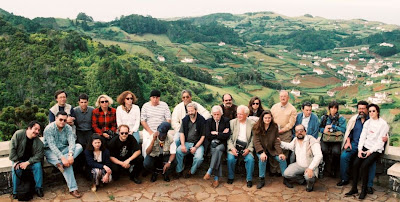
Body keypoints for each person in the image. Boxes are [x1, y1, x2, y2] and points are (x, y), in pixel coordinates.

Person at [345, 104, 389, 200]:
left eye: (373, 111)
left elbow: (380, 141)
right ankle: (354, 188)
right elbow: (362, 137)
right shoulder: (367, 123)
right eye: (370, 111)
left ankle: (364, 190)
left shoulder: (383, 124)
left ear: (377, 111)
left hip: (376, 149)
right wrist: (360, 150)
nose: (371, 113)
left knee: (364, 166)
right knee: (356, 164)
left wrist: (370, 151)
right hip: (365, 147)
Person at [337, 101, 380, 194]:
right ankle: (345, 179)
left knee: (372, 163)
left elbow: (380, 132)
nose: (361, 111)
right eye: (359, 109)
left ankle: (369, 186)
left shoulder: (372, 120)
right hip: (354, 144)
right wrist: (348, 142)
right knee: (344, 157)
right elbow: (349, 133)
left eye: (363, 109)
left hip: (367, 146)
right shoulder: (354, 120)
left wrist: (384, 138)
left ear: (367, 109)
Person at [44, 111, 83, 198]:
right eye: (60, 119)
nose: (62, 122)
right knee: (67, 165)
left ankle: (61, 164)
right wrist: (62, 158)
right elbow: (52, 146)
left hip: (64, 149)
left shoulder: (68, 128)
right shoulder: (49, 129)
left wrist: (70, 155)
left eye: (64, 120)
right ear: (56, 119)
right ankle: (73, 188)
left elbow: (72, 142)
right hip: (51, 151)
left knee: (79, 146)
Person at [280, 124, 323, 192]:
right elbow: (290, 146)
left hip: (310, 166)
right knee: (286, 173)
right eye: (297, 131)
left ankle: (310, 185)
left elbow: (319, 155)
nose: (299, 132)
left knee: (308, 176)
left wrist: (310, 168)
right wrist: (279, 142)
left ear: (305, 131)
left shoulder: (311, 140)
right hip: (299, 165)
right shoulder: (295, 139)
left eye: (301, 130)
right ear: (295, 133)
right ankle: (301, 179)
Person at [253, 110, 287, 189]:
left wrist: (280, 153)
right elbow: (256, 141)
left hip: (272, 149)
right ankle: (261, 179)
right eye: (265, 118)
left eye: (269, 118)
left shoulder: (274, 126)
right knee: (262, 159)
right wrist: (261, 152)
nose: (267, 119)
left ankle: (286, 178)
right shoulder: (256, 127)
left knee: (282, 159)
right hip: (261, 150)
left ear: (271, 118)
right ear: (262, 118)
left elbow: (276, 141)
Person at [10, 121, 44, 198]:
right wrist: (15, 161)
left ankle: (38, 188)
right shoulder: (19, 134)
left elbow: (39, 155)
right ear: (29, 128)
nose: (37, 132)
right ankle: (15, 191)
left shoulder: (38, 142)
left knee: (38, 166)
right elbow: (12, 148)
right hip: (18, 159)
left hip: (30, 161)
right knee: (16, 169)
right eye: (35, 129)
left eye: (38, 130)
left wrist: (28, 162)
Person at [227, 105, 255, 188]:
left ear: (246, 115)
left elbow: (254, 138)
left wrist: (249, 149)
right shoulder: (232, 122)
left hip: (246, 146)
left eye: (241, 114)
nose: (238, 116)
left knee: (250, 160)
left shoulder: (252, 124)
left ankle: (249, 179)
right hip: (235, 146)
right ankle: (230, 177)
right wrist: (232, 148)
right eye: (237, 114)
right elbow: (229, 137)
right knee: (230, 159)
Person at [175, 103, 206, 178]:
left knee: (199, 158)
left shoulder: (201, 120)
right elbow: (181, 133)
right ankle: (179, 170)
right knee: (179, 151)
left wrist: (195, 147)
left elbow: (203, 136)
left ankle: (191, 171)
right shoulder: (185, 120)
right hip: (187, 142)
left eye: (191, 111)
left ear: (196, 110)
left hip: (198, 144)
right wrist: (182, 145)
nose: (190, 113)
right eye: (188, 111)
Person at [270, 90, 297, 176]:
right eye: (281, 96)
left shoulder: (292, 109)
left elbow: (291, 123)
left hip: (285, 133)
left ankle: (281, 171)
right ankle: (273, 170)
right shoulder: (274, 107)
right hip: (274, 132)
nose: (283, 98)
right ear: (279, 97)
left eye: (285, 96)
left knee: (284, 152)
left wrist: (283, 130)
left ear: (288, 97)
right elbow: (270, 119)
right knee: (274, 150)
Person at [203, 105, 230, 188]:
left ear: (221, 114)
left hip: (222, 145)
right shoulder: (208, 121)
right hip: (212, 144)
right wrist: (221, 134)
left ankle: (210, 171)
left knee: (218, 150)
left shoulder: (226, 121)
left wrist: (216, 133)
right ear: (212, 114)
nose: (216, 116)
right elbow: (208, 135)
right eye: (214, 114)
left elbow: (227, 136)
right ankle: (216, 179)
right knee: (217, 152)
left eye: (218, 114)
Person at [319, 101, 346, 177]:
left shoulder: (341, 119)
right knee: (323, 150)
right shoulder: (324, 118)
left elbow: (343, 129)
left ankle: (334, 168)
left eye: (335, 108)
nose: (333, 110)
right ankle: (326, 168)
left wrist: (333, 127)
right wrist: (324, 130)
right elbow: (319, 128)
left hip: (336, 139)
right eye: (332, 108)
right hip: (326, 138)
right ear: (329, 109)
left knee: (336, 152)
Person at [141, 90, 171, 158]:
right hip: (148, 129)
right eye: (153, 97)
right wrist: (150, 132)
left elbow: (168, 119)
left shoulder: (164, 105)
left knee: (165, 143)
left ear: (159, 98)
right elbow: (143, 121)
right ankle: (146, 160)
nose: (155, 99)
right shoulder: (145, 106)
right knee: (146, 143)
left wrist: (163, 129)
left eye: (157, 97)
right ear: (150, 98)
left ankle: (162, 161)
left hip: (161, 129)